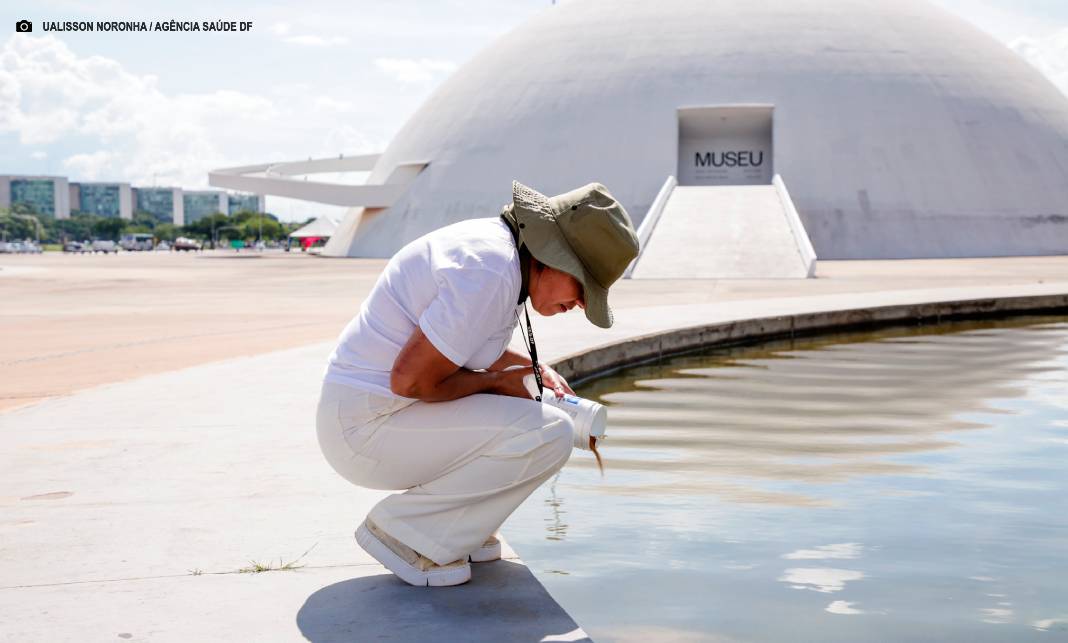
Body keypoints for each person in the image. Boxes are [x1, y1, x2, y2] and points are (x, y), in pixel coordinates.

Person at [315, 179, 640, 587]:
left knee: (531, 417)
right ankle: (407, 533)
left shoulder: (501, 257)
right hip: (365, 427)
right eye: (584, 286)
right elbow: (411, 381)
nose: (580, 304)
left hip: (370, 414)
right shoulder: (489, 271)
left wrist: (531, 370)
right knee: (549, 432)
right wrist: (496, 384)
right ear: (554, 257)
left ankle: (456, 529)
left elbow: (459, 343)